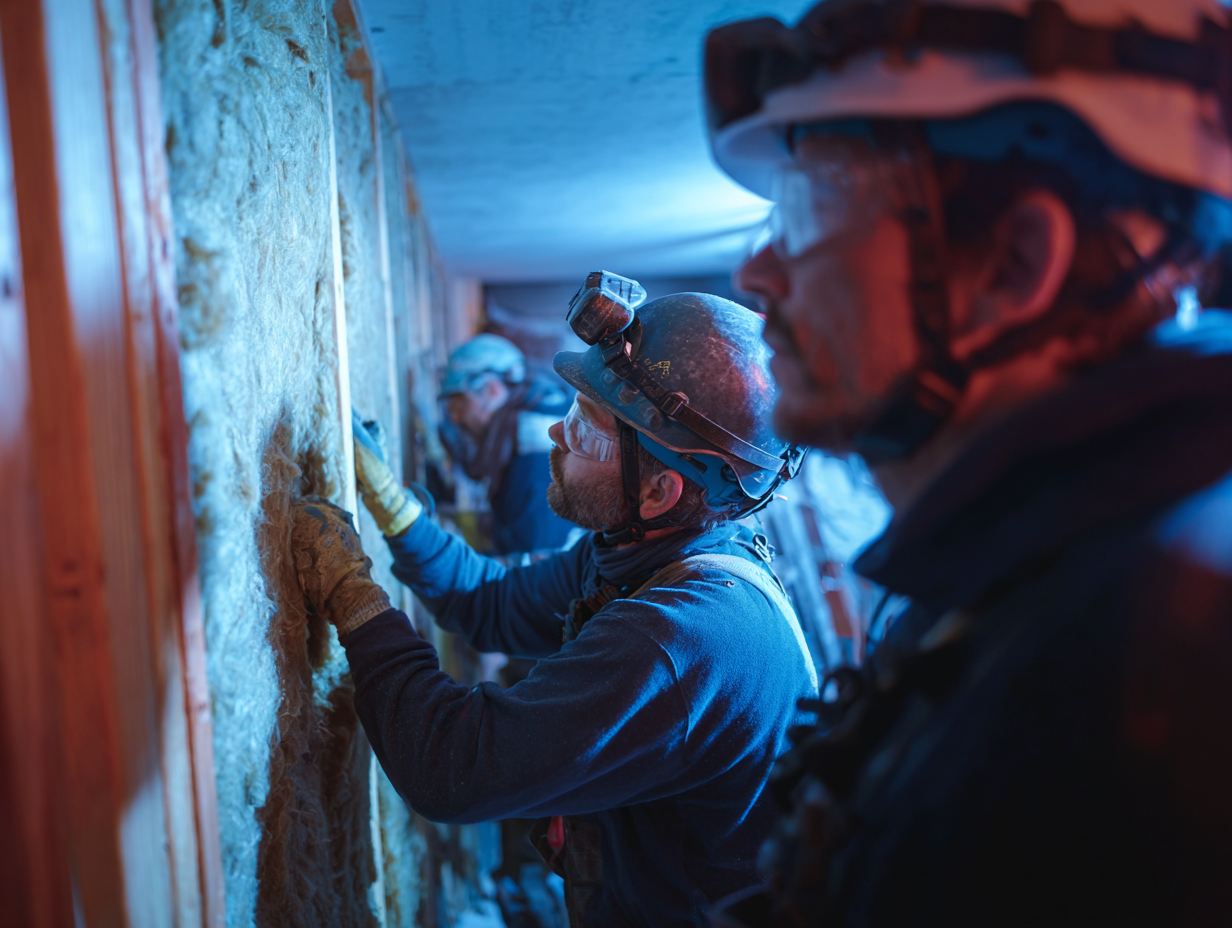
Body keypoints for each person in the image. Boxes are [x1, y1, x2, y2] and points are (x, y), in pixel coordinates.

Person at [703, 0, 1232, 924]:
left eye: (817, 201)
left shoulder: (1170, 666)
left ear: (1012, 267)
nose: (758, 271)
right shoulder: (1024, 584)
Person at [290, 278, 814, 926]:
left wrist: (352, 596)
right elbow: (490, 603)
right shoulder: (642, 550)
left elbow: (454, 765)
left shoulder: (684, 637)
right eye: (573, 409)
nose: (556, 435)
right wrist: (396, 512)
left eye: (587, 430)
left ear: (659, 491)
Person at [438, 332, 576, 556]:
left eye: (461, 402)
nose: (455, 418)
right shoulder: (540, 411)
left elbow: (529, 558)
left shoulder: (534, 451)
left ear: (492, 390)